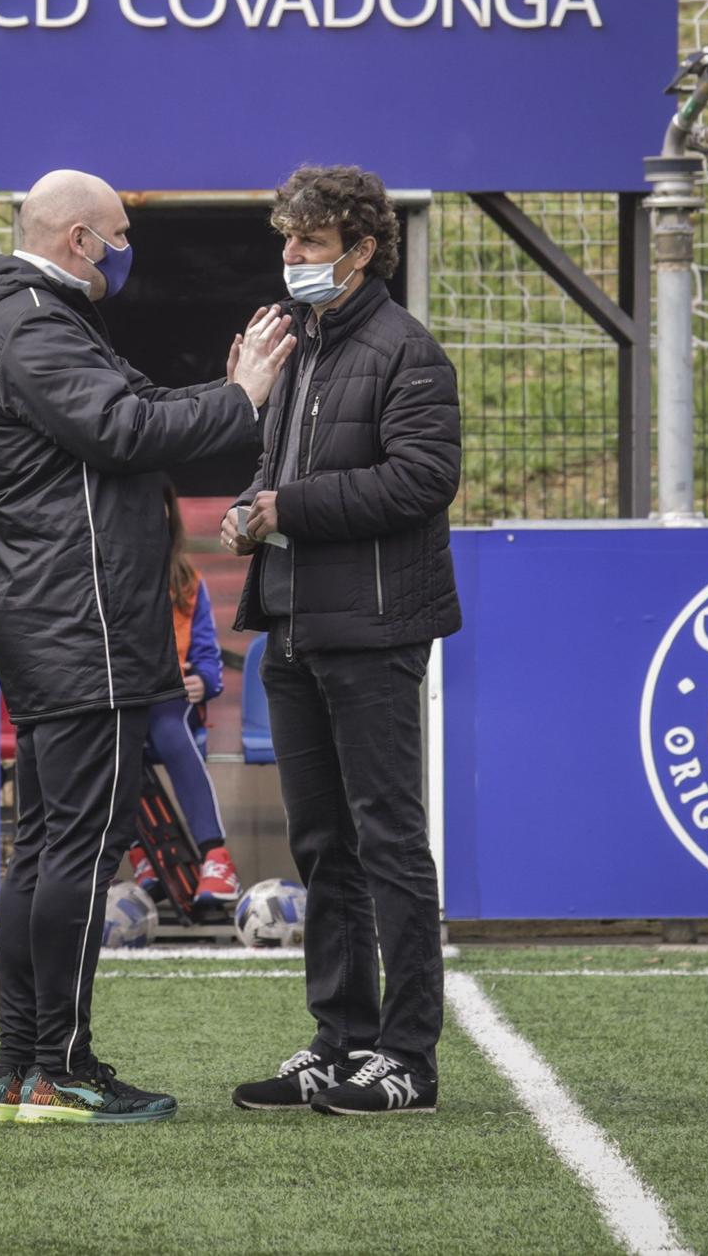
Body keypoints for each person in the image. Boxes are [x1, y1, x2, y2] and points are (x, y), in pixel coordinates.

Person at [0, 169, 294, 1126]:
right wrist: (244, 394)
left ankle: (21, 1070)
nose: (129, 250)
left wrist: (220, 392)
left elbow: (132, 405)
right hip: (80, 621)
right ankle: (53, 1066)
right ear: (81, 239)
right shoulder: (34, 326)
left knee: (47, 847)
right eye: (122, 233)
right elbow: (128, 427)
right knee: (80, 850)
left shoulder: (26, 318)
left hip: (60, 617)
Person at [221, 165, 461, 1117]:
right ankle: (340, 1039)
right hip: (291, 624)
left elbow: (421, 481)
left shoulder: (410, 351)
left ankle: (408, 1056)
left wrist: (287, 507)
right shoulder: (295, 345)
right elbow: (272, 477)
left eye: (311, 244)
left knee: (389, 839)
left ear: (362, 251)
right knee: (322, 844)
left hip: (375, 629)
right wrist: (251, 512)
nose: (292, 259)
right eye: (286, 241)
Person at [127, 482, 240, 907]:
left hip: (175, 705)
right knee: (119, 739)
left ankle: (216, 855)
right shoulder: (107, 579)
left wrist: (204, 682)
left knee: (166, 722)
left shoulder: (188, 583)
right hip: (124, 706)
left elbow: (208, 660)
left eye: (160, 514)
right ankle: (143, 854)